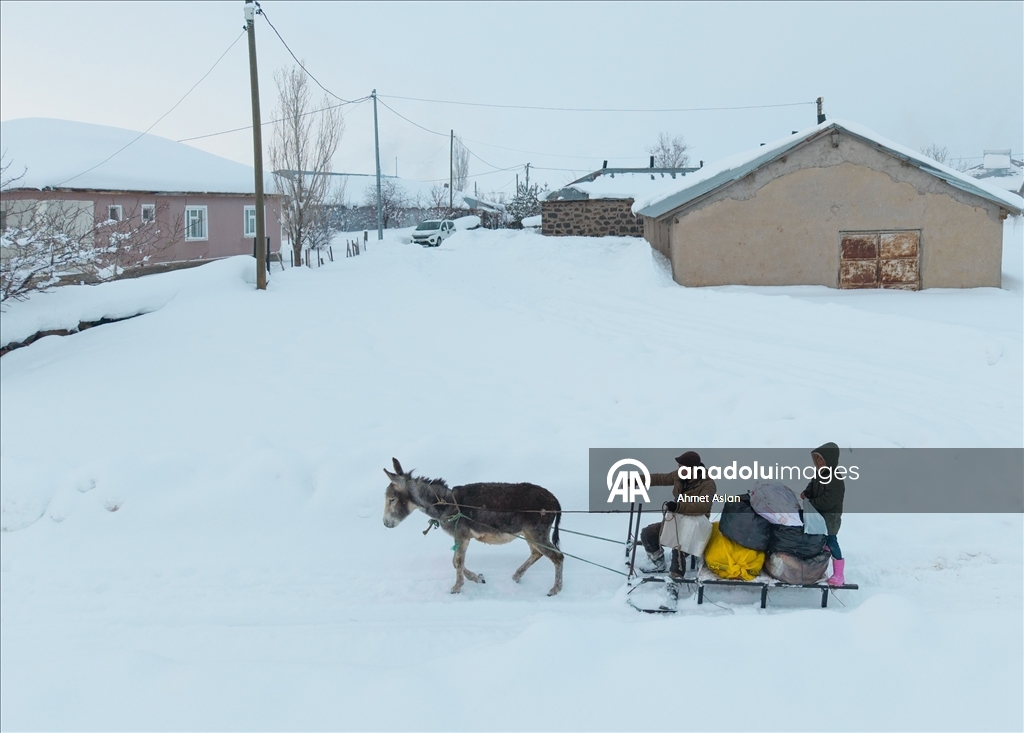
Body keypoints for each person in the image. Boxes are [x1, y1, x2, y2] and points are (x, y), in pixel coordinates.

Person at [639, 451, 715, 580]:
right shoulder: (679, 476)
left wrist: (679, 506)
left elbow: (703, 505)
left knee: (678, 549)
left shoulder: (707, 484)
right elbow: (659, 478)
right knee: (648, 534)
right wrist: (637, 480)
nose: (679, 469)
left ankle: (675, 579)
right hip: (677, 521)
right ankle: (658, 563)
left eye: (682, 467)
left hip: (695, 527)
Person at [800, 442, 847, 586]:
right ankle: (821, 570)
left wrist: (812, 502)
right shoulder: (819, 474)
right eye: (817, 459)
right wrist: (806, 493)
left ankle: (839, 574)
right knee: (821, 543)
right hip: (819, 516)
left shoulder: (835, 478)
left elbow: (829, 500)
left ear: (830, 460)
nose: (819, 462)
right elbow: (812, 485)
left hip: (830, 518)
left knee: (831, 542)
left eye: (822, 459)